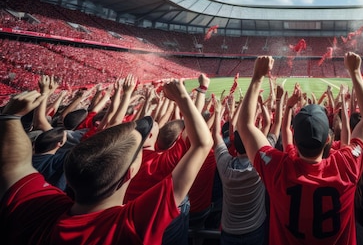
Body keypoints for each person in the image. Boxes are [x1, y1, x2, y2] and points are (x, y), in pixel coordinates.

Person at [0, 78, 212, 244]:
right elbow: (202, 144)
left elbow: (14, 164)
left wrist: (9, 117)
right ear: (130, 172)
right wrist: (11, 116)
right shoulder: (131, 225)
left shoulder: (41, 207)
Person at [238, 53, 363, 244]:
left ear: (294, 140)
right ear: (328, 139)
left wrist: (257, 77)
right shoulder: (345, 166)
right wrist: (355, 72)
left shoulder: (278, 168)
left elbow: (245, 126)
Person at [212, 99, 267, 244]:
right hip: (256, 229)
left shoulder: (224, 165)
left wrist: (218, 111)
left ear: (234, 146)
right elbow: (270, 125)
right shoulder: (261, 165)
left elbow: (216, 136)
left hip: (229, 232)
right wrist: (261, 106)